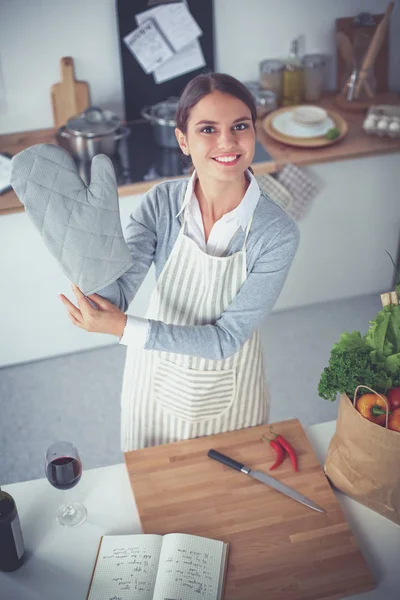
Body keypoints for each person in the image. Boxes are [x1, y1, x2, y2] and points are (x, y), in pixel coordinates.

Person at [60, 72, 300, 452]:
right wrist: (89, 245)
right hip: (157, 369)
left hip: (229, 376)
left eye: (240, 126)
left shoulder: (277, 232)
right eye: (207, 129)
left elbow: (225, 339)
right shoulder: (161, 203)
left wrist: (123, 328)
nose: (227, 141)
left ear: (254, 132)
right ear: (183, 141)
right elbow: (117, 295)